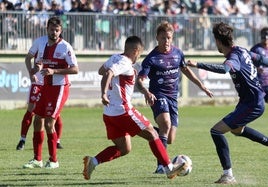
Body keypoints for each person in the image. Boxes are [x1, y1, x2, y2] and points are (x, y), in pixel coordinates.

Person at [82, 36, 185, 181]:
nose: (139, 57)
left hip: (109, 114)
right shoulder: (125, 62)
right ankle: (168, 168)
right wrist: (104, 93)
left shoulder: (115, 58)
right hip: (123, 111)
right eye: (140, 53)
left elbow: (101, 71)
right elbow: (108, 73)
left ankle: (93, 162)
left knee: (124, 148)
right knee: (152, 134)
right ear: (136, 51)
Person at [187, 22, 268, 184]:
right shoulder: (243, 50)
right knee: (237, 130)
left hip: (252, 103)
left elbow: (225, 69)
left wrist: (198, 64)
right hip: (251, 101)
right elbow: (263, 60)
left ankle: (228, 175)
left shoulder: (234, 57)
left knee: (216, 131)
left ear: (218, 41)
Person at [136, 21, 213, 174]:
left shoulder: (177, 53)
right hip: (158, 96)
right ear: (157, 38)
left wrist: (201, 85)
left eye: (169, 38)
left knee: (169, 138)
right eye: (163, 38)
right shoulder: (151, 58)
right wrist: (146, 92)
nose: (167, 41)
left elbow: (185, 70)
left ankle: (148, 131)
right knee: (165, 124)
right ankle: (161, 166)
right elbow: (139, 81)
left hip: (173, 98)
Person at [22, 16, 79, 169]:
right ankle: (37, 159)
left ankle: (53, 161)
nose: (54, 32)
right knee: (37, 121)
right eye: (52, 29)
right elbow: (36, 61)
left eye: (57, 30)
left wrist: (54, 70)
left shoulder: (66, 47)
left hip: (60, 87)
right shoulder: (40, 42)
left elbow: (75, 69)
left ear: (61, 31)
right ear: (47, 29)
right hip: (45, 86)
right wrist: (34, 70)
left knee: (49, 123)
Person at [16, 83, 64, 150]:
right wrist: (32, 73)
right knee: (31, 111)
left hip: (50, 86)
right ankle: (22, 140)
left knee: (54, 114)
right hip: (37, 85)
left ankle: (57, 142)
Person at [250, 27, 268, 103]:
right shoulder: (255, 49)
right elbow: (248, 65)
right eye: (264, 35)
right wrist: (257, 69)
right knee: (258, 106)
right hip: (259, 84)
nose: (266, 37)